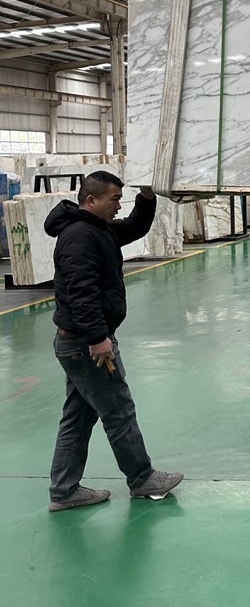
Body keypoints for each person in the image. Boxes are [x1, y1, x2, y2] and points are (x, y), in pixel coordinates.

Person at [44, 170, 183, 511]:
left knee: (78, 418)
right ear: (92, 200)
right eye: (115, 199)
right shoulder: (80, 237)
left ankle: (64, 490)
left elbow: (134, 228)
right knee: (119, 410)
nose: (119, 205)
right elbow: (81, 293)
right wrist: (98, 338)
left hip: (78, 342)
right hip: (86, 344)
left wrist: (147, 196)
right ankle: (142, 478)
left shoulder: (97, 229)